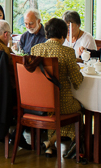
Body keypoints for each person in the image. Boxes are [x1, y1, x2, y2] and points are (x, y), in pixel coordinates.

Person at [30, 18, 85, 157]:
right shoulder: (67, 52)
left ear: (46, 34)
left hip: (39, 103)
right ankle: (77, 145)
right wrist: (78, 69)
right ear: (63, 35)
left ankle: (51, 144)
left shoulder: (35, 49)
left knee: (55, 110)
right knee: (80, 107)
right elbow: (77, 81)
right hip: (62, 103)